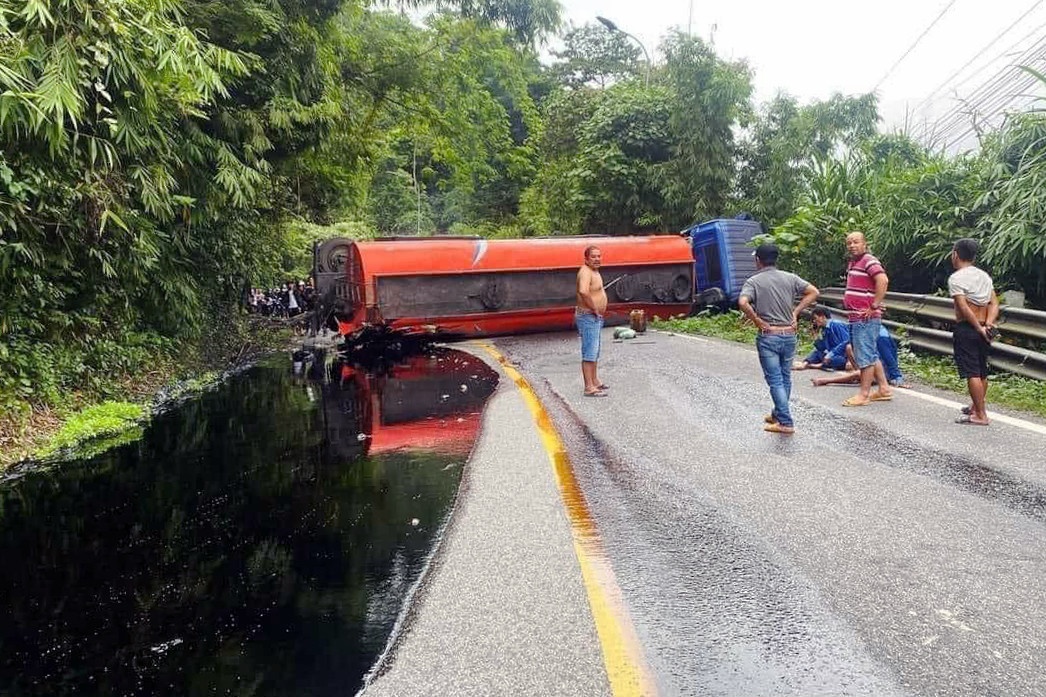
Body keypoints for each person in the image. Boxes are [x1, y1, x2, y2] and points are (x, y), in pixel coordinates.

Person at [738, 243, 819, 434]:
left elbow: (742, 302)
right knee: (784, 377)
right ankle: (778, 413)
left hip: (769, 336)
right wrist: (796, 312)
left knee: (775, 380)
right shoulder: (790, 277)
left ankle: (785, 422)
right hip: (789, 334)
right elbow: (814, 292)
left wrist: (757, 320)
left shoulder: (753, 281)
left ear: (758, 260)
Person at [948, 238, 999, 426]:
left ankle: (981, 415)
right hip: (985, 326)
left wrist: (977, 327)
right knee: (982, 371)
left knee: (972, 372)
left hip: (968, 328)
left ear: (955, 254)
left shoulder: (956, 278)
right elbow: (994, 303)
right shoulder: (984, 276)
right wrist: (988, 325)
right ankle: (975, 407)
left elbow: (963, 307)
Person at [841, 231, 893, 407]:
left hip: (865, 317)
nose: (852, 246)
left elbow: (883, 280)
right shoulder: (853, 263)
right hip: (856, 316)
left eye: (856, 242)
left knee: (864, 356)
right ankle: (884, 389)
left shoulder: (869, 260)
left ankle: (863, 394)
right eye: (849, 243)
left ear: (865, 244)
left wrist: (874, 305)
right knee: (869, 352)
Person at [576, 246, 608, 397]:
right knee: (589, 351)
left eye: (599, 256)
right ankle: (589, 387)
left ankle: (595, 380)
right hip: (588, 316)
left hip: (595, 317)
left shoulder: (594, 271)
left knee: (595, 350)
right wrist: (594, 308)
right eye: (593, 256)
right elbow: (583, 291)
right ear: (586, 259)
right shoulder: (585, 272)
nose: (597, 259)